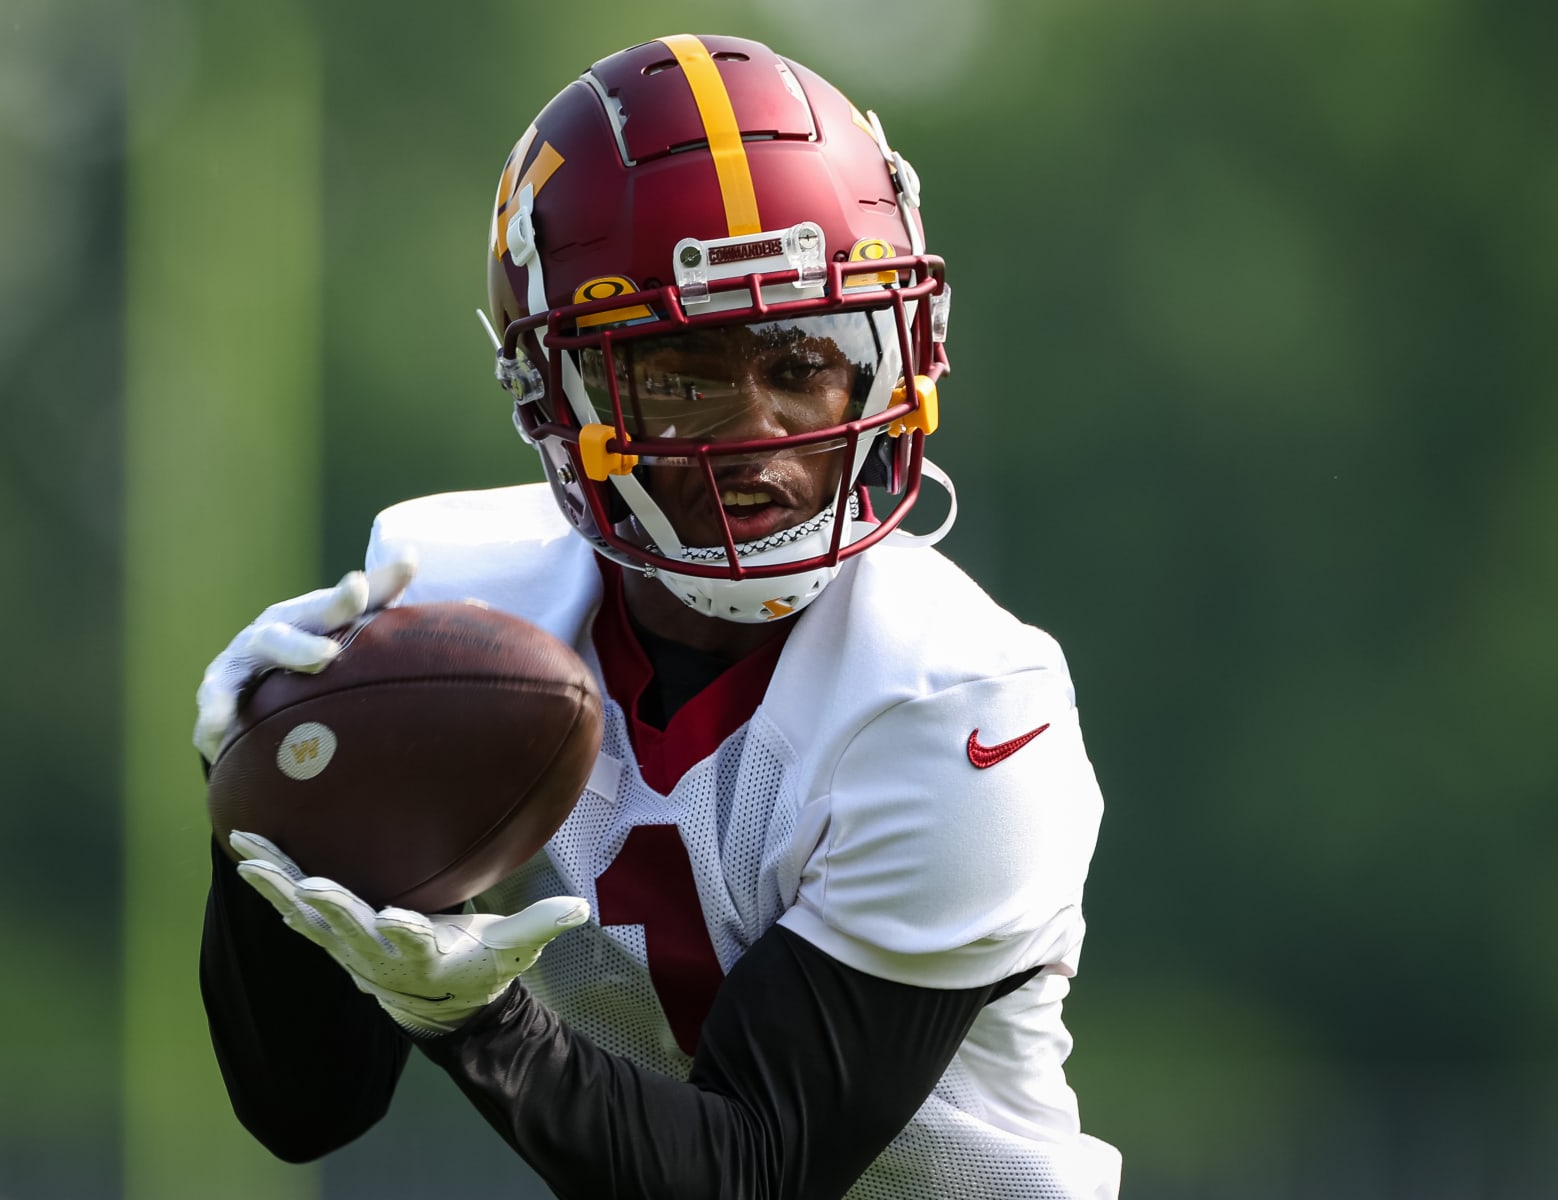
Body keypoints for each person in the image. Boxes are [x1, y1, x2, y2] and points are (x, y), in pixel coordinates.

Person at [193, 33, 1121, 1200]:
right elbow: (303, 1106)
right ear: (554, 396)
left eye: (807, 359)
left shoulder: (961, 705)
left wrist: (473, 1019)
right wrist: (262, 801)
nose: (763, 437)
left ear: (893, 363)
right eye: (684, 376)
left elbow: (753, 1172)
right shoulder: (453, 609)